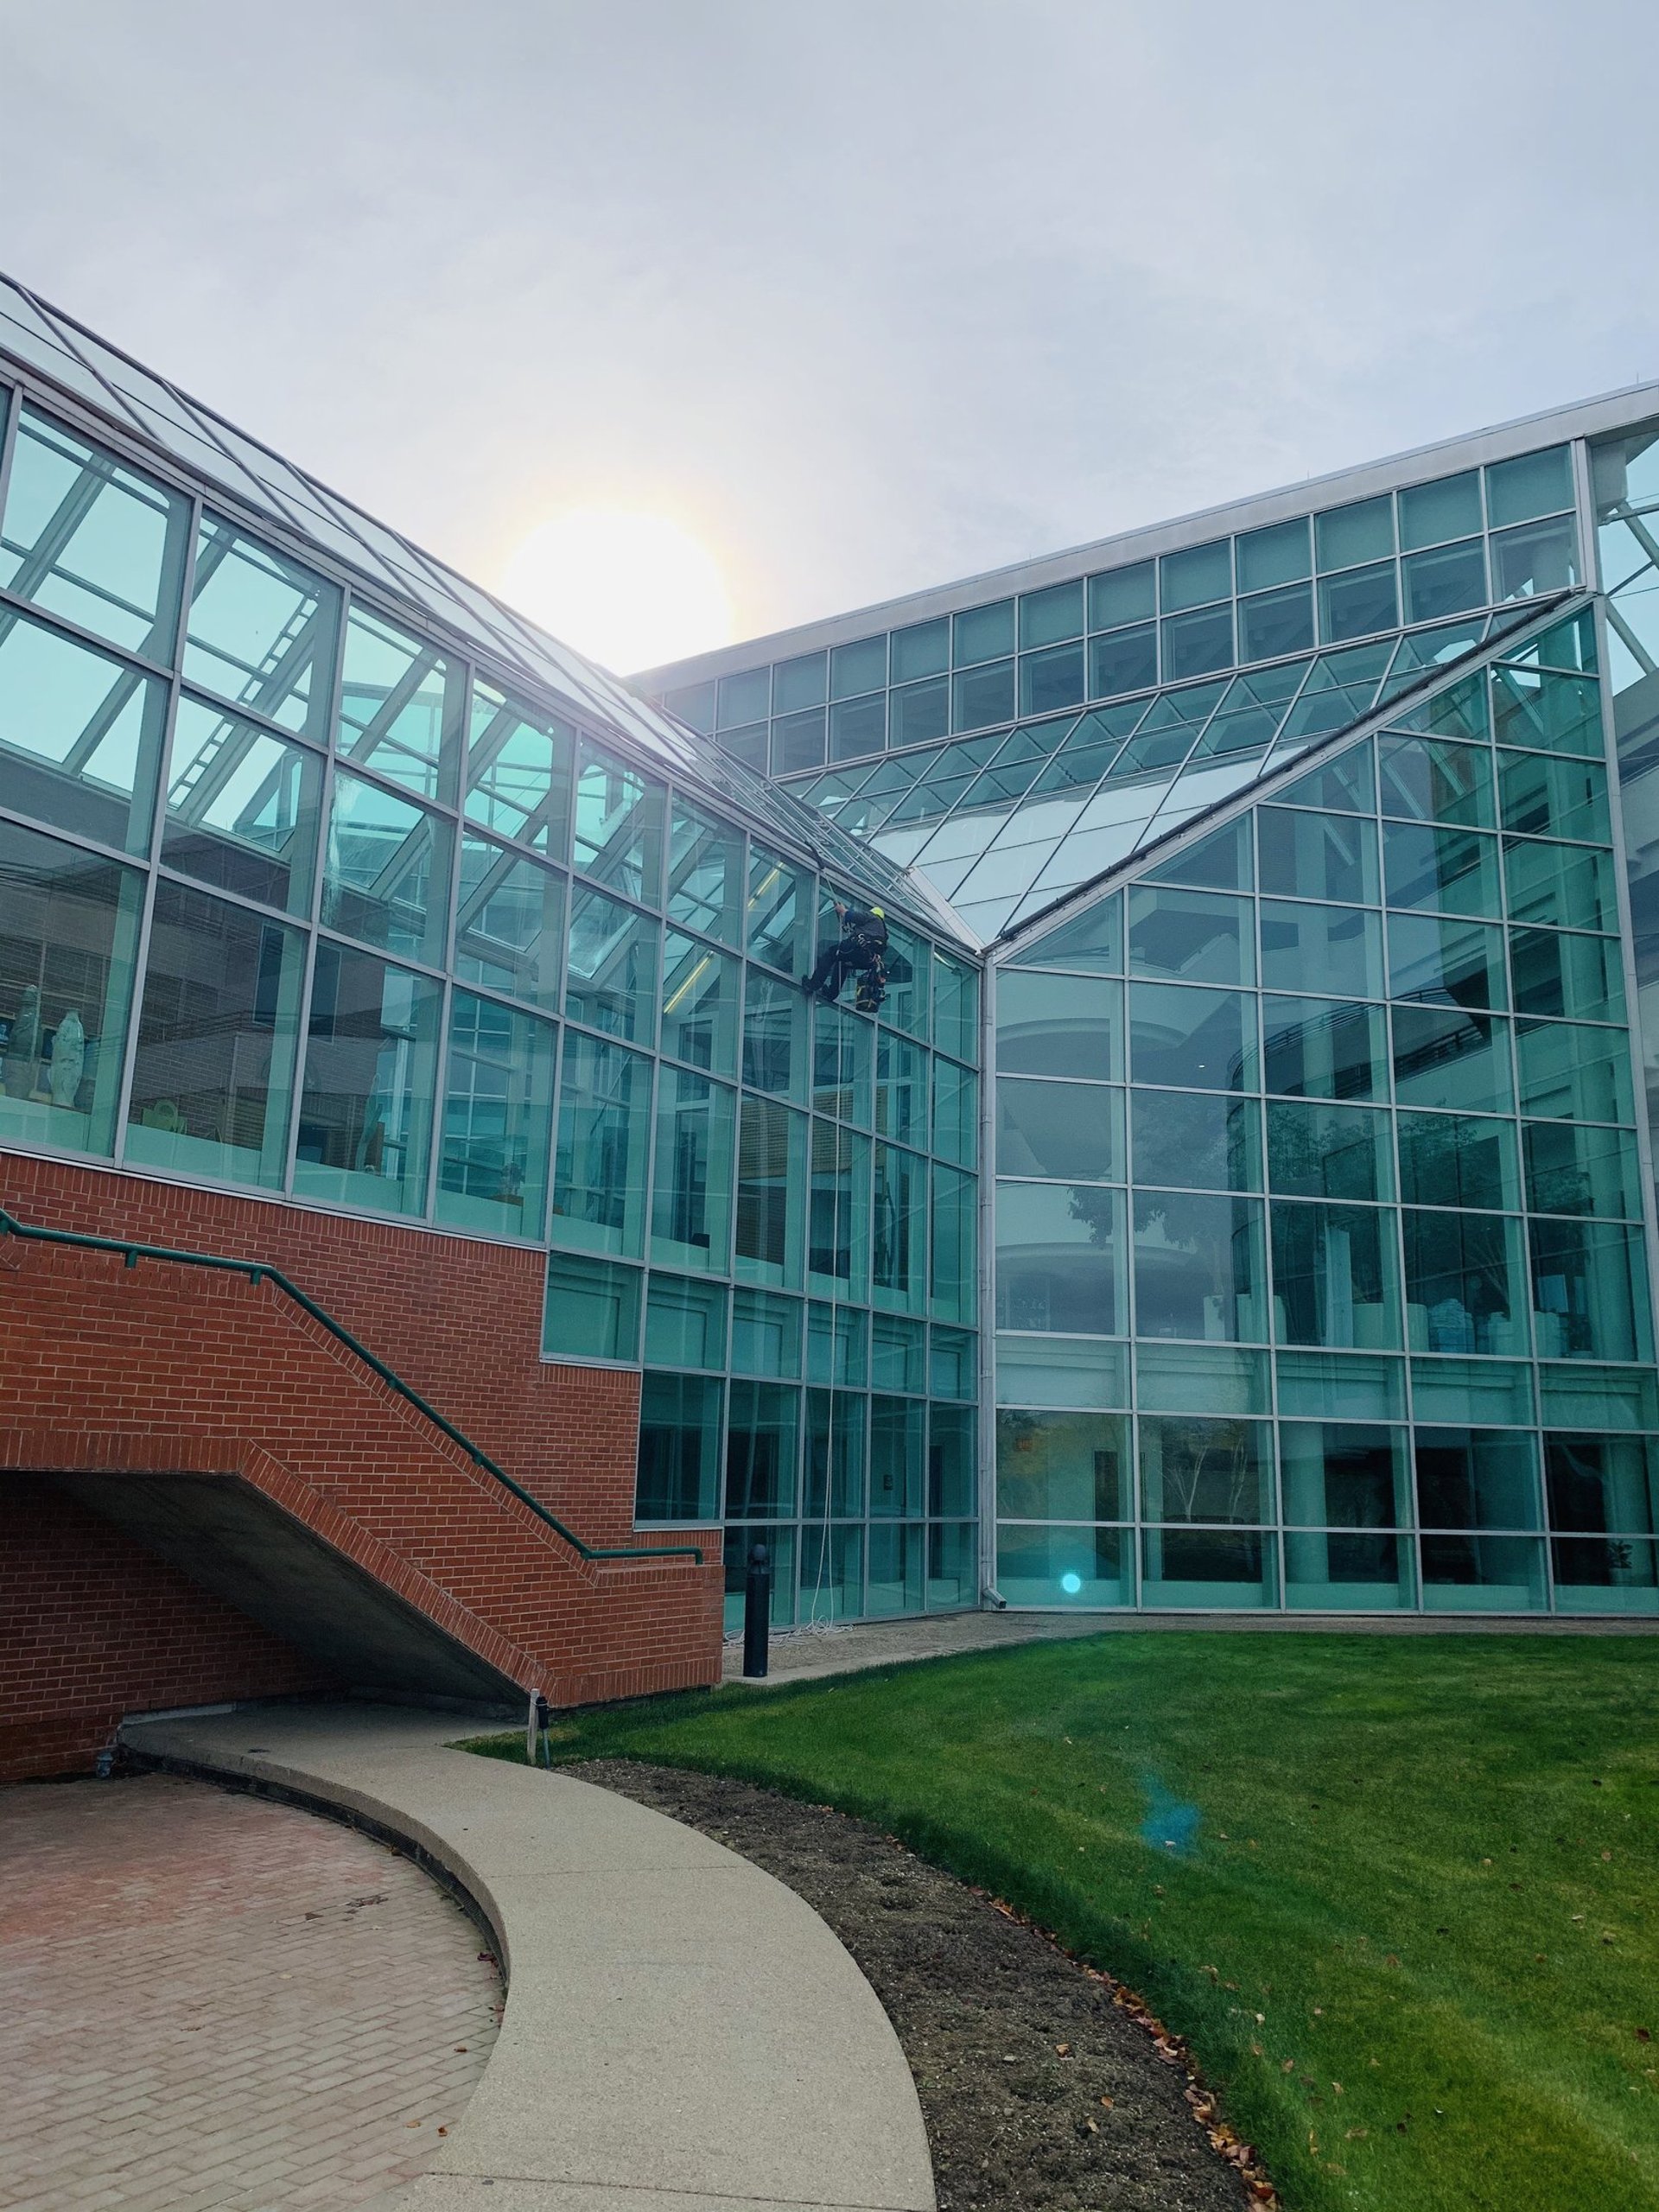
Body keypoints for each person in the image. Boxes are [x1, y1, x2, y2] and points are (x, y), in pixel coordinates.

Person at [802, 899, 889, 1004]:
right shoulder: (884, 933)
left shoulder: (872, 917)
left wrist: (842, 910)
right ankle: (831, 994)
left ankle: (813, 985)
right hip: (867, 961)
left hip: (856, 948)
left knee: (830, 954)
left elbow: (854, 916)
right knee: (842, 964)